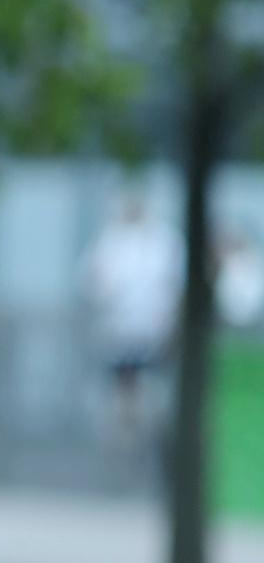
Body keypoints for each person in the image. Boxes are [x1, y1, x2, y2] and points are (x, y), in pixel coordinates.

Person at [76, 190, 185, 454]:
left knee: (152, 394)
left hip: (155, 334)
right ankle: (123, 445)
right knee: (122, 394)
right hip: (119, 333)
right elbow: (92, 281)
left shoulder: (165, 240)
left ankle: (152, 442)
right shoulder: (110, 240)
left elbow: (176, 284)